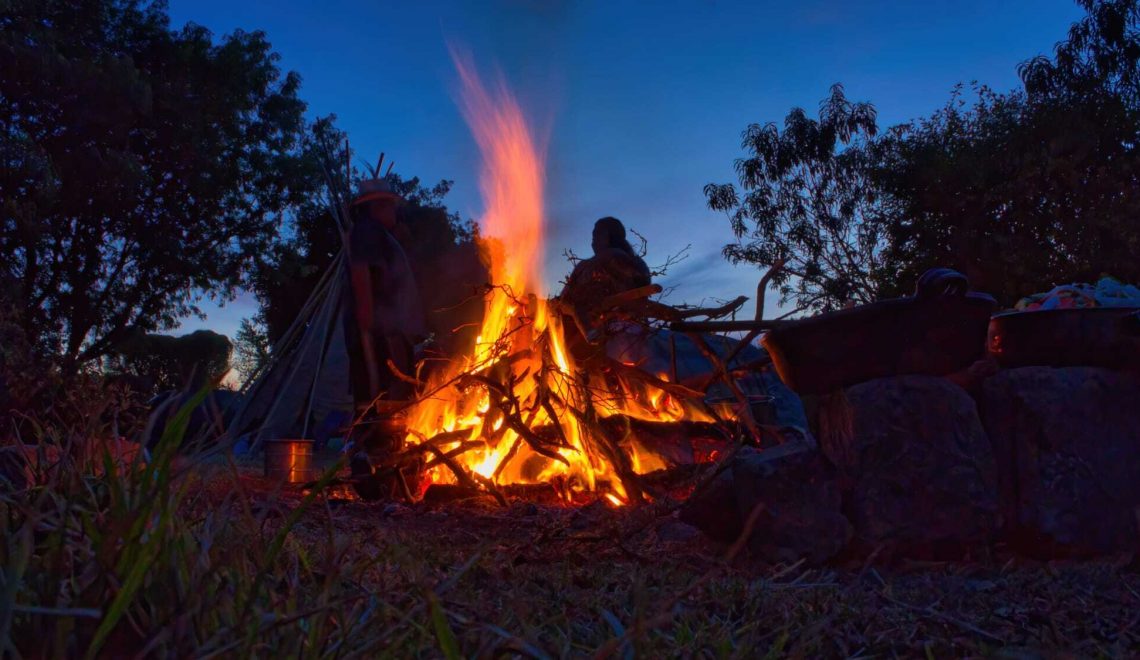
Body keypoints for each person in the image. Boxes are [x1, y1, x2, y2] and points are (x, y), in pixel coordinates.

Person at [343, 177, 427, 417]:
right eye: (388, 206)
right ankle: (375, 443)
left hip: (389, 326)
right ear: (375, 207)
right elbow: (361, 272)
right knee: (378, 389)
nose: (393, 211)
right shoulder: (366, 230)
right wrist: (368, 320)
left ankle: (388, 438)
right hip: (379, 330)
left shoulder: (382, 234)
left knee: (391, 388)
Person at [559, 217, 652, 341]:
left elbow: (566, 296)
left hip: (604, 325)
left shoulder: (601, 260)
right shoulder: (638, 262)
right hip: (636, 326)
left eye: (597, 234)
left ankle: (590, 334)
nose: (593, 239)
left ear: (608, 236)